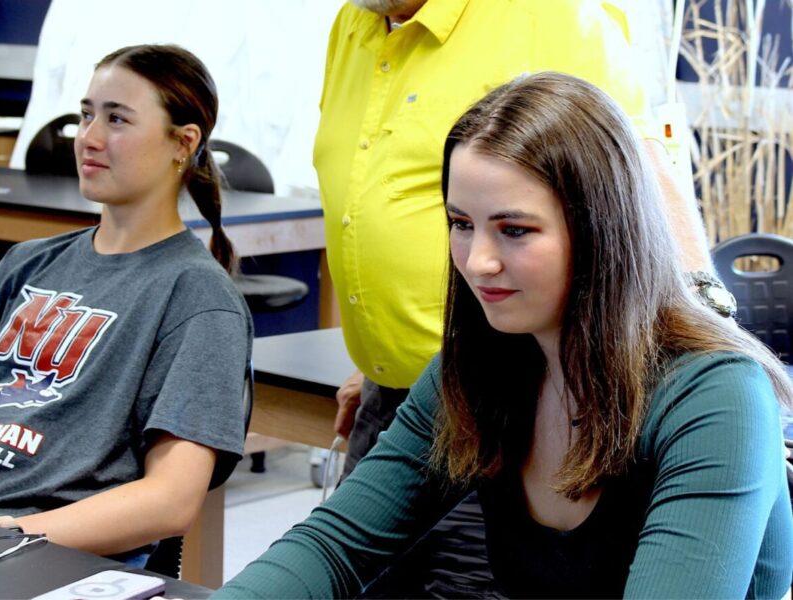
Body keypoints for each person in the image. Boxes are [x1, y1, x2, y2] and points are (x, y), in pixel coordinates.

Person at [215, 72, 793, 598]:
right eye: (461, 224)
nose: (478, 261)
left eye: (514, 230)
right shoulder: (477, 371)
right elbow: (336, 545)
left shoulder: (717, 399)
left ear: (603, 231)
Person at [0, 44, 252, 566]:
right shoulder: (26, 264)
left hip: (45, 558)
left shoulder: (198, 299)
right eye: (86, 114)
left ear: (182, 143)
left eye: (117, 119)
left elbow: (170, 501)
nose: (88, 138)